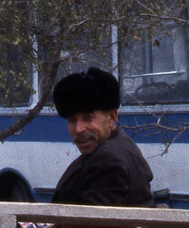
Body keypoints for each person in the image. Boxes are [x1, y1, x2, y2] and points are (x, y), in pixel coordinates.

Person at [51, 67, 154, 207]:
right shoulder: (117, 148)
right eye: (72, 120)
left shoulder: (108, 159)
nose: (79, 129)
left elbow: (96, 224)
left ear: (112, 117)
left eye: (88, 118)